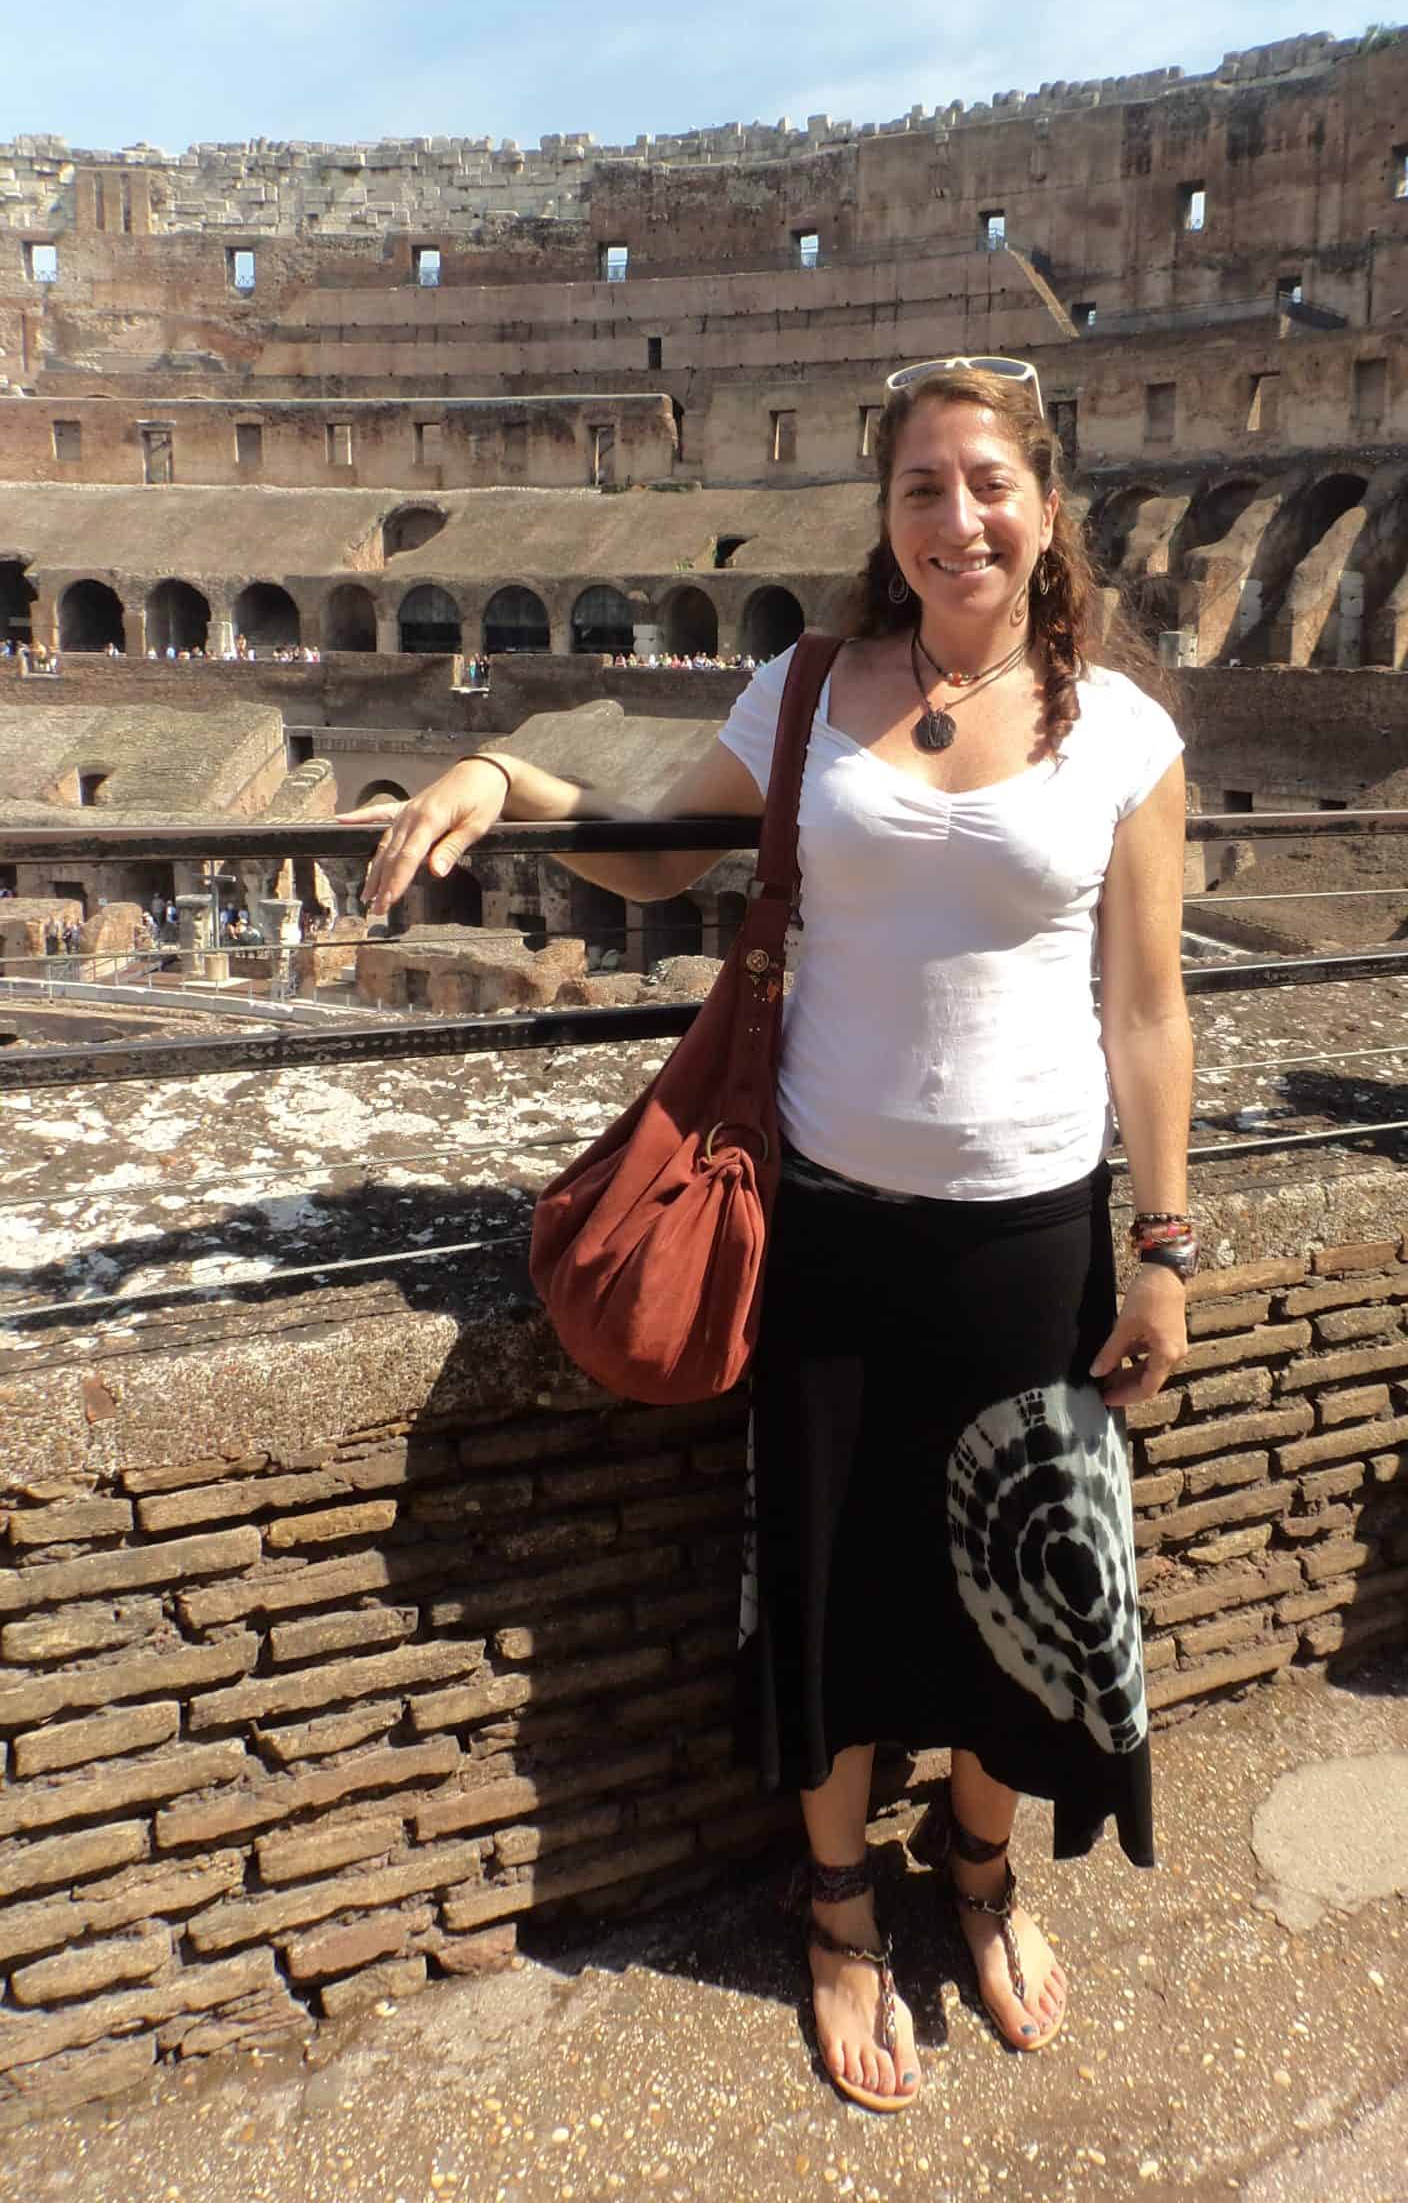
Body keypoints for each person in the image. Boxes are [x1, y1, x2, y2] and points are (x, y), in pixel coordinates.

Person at [351, 355, 1193, 2107]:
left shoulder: (1123, 730)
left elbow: (1149, 1007)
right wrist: (513, 777)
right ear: (884, 519)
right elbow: (666, 856)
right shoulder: (810, 690)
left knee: (1037, 1583)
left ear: (1045, 502)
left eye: (987, 482)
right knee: (829, 1577)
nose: (956, 518)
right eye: (920, 489)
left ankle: (975, 1867)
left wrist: (1169, 1245)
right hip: (821, 1215)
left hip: (1035, 1225)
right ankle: (834, 1911)